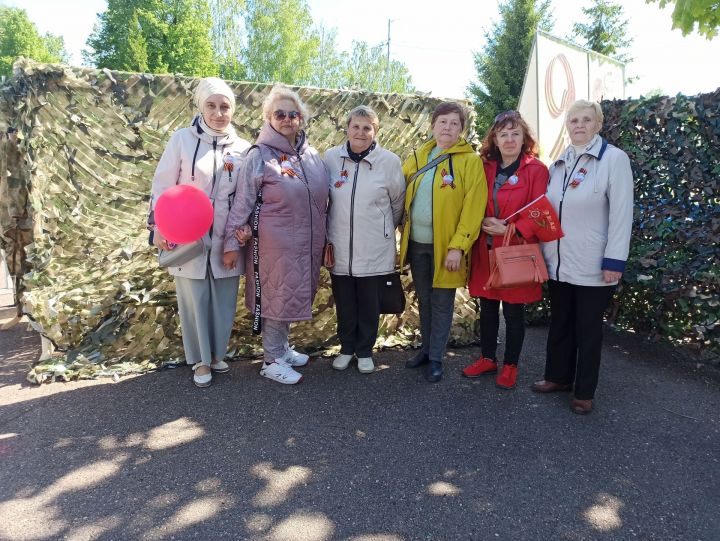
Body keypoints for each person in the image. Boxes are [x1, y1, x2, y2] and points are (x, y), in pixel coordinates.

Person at [531, 99, 634, 414]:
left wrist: (614, 261)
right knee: (560, 322)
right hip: (559, 262)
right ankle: (557, 377)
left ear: (598, 124)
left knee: (588, 329)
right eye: (573, 120)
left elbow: (621, 214)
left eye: (586, 120)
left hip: (593, 263)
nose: (579, 125)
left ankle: (584, 391)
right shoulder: (560, 161)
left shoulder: (614, 160)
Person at [223, 85, 329, 385]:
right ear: (268, 118)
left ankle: (281, 349)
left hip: (307, 243)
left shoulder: (311, 155)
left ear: (302, 119)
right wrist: (232, 241)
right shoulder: (260, 155)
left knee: (292, 296)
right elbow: (242, 200)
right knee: (277, 296)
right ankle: (271, 360)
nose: (287, 119)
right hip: (275, 244)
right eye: (279, 114)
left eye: (293, 114)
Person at [150, 77, 250, 388]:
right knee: (194, 297)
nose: (219, 112)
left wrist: (235, 241)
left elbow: (245, 199)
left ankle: (218, 354)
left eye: (225, 106)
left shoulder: (244, 148)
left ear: (232, 110)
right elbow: (162, 184)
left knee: (223, 297)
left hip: (225, 236)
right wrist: (158, 228)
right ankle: (201, 361)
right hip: (187, 235)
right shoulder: (181, 140)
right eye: (212, 105)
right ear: (200, 106)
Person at [400, 102, 487, 382]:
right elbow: (397, 188)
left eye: (454, 123)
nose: (447, 128)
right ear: (432, 125)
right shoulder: (419, 155)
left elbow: (474, 208)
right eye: (442, 122)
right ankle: (426, 350)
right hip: (417, 244)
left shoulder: (470, 162)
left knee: (442, 302)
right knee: (424, 300)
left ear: (461, 129)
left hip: (447, 248)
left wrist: (457, 247)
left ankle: (436, 357)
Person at [464, 111, 549, 389]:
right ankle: (488, 358)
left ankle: (511, 365)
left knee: (513, 313)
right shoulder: (483, 166)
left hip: (516, 251)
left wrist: (510, 229)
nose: (510, 139)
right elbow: (469, 199)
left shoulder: (536, 170)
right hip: (485, 251)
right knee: (486, 308)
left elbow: (541, 211)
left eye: (515, 133)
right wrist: (480, 221)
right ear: (495, 139)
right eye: (504, 134)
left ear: (524, 138)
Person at [325, 106, 406, 374]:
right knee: (345, 301)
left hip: (374, 246)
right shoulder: (330, 159)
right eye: (356, 126)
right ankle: (347, 348)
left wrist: (383, 229)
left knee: (369, 303)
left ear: (375, 131)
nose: (361, 132)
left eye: (367, 127)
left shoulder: (390, 162)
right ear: (347, 129)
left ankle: (364, 351)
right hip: (340, 246)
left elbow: (397, 204)